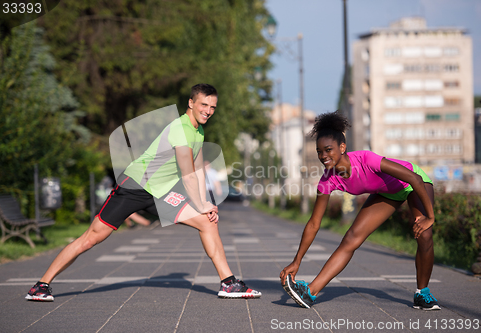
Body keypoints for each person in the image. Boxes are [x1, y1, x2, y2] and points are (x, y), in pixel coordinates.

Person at [26, 84, 261, 301]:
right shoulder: (181, 129)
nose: (208, 111)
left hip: (160, 192)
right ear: (191, 103)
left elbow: (198, 171)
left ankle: (228, 283)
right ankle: (41, 285)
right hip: (134, 186)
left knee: (207, 222)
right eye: (204, 105)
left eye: (212, 107)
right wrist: (200, 204)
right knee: (91, 239)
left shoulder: (197, 132)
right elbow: (188, 174)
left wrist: (205, 204)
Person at [280, 111, 439, 311]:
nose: (323, 156)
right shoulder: (327, 179)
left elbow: (413, 179)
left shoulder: (366, 159)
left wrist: (430, 217)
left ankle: (422, 294)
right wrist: (297, 261)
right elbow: (314, 223)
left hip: (414, 183)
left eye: (328, 150)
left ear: (342, 147)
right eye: (320, 151)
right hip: (386, 192)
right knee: (351, 239)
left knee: (424, 235)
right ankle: (310, 292)